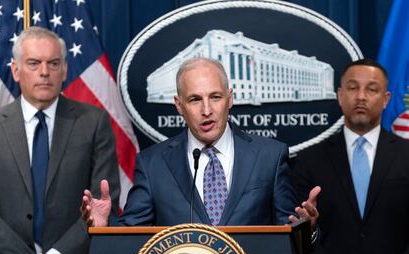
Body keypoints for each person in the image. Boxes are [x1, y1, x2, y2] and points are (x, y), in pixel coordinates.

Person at [82, 57, 319, 231]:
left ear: (230, 98)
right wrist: (103, 227)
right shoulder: (152, 163)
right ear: (179, 105)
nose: (207, 110)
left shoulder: (270, 156)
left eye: (215, 97)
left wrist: (306, 228)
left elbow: (289, 241)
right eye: (195, 99)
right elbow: (132, 235)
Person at [0, 27, 120, 254]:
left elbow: (102, 205)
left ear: (64, 70)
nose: (44, 72)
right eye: (33, 63)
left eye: (53, 64)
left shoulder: (94, 122)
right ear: (15, 70)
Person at [292, 59, 409, 254]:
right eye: (353, 88)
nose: (361, 96)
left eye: (372, 89)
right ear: (339, 95)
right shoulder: (308, 161)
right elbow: (299, 237)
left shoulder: (406, 156)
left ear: (386, 98)